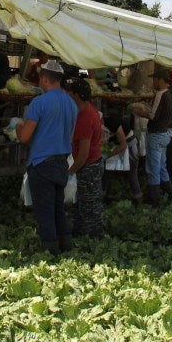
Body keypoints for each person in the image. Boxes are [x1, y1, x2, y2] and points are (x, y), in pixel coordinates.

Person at [16, 60, 78, 254]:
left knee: (44, 210)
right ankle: (66, 244)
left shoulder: (40, 102)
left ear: (44, 79)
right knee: (58, 207)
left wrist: (17, 126)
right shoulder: (71, 103)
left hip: (42, 163)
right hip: (61, 161)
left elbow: (25, 136)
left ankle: (50, 251)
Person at [66, 79, 104, 238]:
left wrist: (70, 171)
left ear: (75, 95)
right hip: (93, 163)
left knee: (89, 203)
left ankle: (96, 237)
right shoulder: (90, 109)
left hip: (88, 166)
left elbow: (83, 154)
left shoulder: (84, 118)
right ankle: (80, 232)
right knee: (83, 201)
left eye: (70, 92)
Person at [135, 69, 172, 206]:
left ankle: (154, 200)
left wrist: (140, 111)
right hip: (165, 134)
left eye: (154, 79)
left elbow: (153, 116)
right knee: (162, 166)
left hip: (156, 135)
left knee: (153, 167)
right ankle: (169, 193)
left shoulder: (160, 94)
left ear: (160, 80)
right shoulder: (170, 95)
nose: (153, 82)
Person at [103, 111, 142, 204]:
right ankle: (104, 196)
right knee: (106, 171)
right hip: (120, 145)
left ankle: (138, 201)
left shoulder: (112, 122)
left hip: (130, 145)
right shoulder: (101, 125)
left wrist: (107, 155)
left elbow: (123, 145)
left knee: (132, 174)